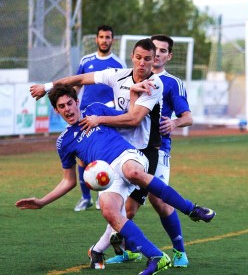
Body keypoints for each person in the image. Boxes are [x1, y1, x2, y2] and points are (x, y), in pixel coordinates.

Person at [30, 38, 216, 268]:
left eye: (151, 57)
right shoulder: (114, 77)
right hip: (120, 149)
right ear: (132, 57)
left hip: (148, 149)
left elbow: (133, 118)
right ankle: (124, 252)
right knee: (119, 209)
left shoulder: (156, 84)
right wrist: (47, 86)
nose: (144, 62)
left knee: (157, 201)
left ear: (160, 58)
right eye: (140, 57)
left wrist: (172, 121)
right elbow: (78, 79)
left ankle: (185, 231)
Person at [105, 34, 192, 267]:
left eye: (163, 51)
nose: (158, 55)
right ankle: (129, 249)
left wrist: (174, 123)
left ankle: (179, 252)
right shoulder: (132, 76)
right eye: (156, 50)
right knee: (126, 206)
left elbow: (188, 117)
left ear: (168, 56)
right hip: (129, 149)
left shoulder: (172, 83)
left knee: (159, 200)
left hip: (158, 149)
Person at [74, 24, 126, 212]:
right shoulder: (86, 60)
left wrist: (110, 106)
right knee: (82, 157)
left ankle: (101, 195)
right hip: (85, 114)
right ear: (96, 39)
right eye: (102, 37)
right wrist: (69, 101)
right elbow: (77, 84)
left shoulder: (118, 64)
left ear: (113, 40)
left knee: (104, 155)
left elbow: (122, 91)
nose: (104, 40)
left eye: (108, 37)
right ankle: (85, 198)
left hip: (105, 117)